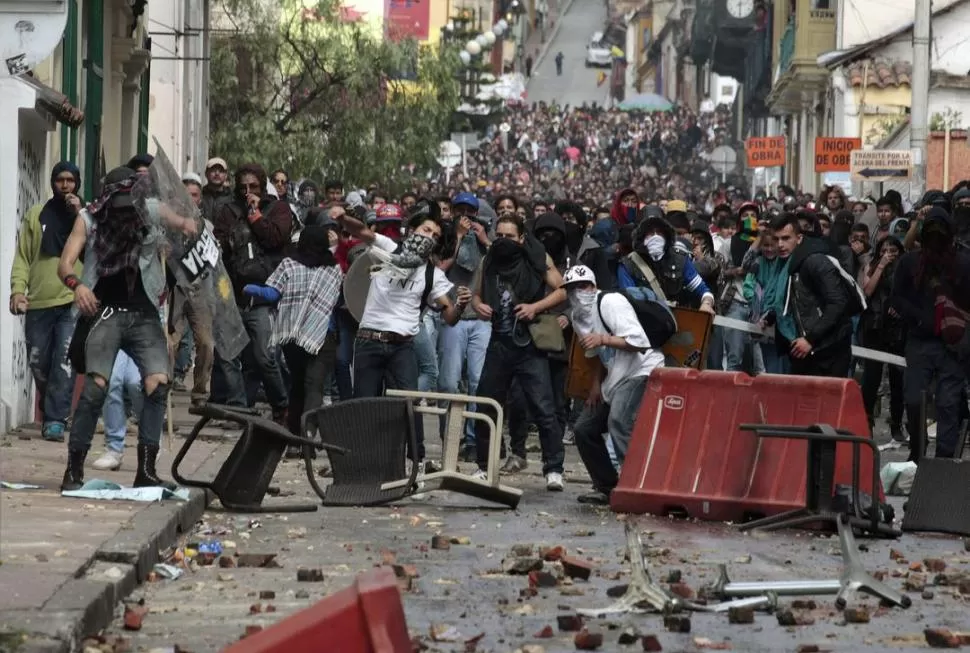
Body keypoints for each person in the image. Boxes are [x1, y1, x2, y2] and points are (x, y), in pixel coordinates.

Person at [57, 166, 198, 490]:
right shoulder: (89, 219)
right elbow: (65, 262)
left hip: (145, 312)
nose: (126, 212)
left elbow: (181, 221)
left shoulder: (148, 211)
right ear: (107, 198)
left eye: (131, 203)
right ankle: (74, 468)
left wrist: (189, 226)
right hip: (103, 311)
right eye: (119, 204)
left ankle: (146, 470)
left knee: (158, 383)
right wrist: (76, 285)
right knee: (95, 387)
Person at [333, 205, 470, 466]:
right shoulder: (388, 248)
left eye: (435, 235)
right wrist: (342, 219)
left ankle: (416, 462)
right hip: (369, 341)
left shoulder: (433, 274)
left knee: (410, 405)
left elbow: (449, 317)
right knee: (364, 406)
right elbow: (361, 230)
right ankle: (361, 464)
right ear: (411, 231)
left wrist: (461, 304)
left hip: (402, 347)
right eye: (425, 230)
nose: (429, 236)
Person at [471, 214, 568, 491]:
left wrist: (535, 307)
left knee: (543, 407)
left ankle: (554, 469)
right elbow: (478, 294)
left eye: (510, 237)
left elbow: (562, 290)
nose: (503, 241)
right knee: (486, 405)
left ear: (522, 238)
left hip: (529, 345)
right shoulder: (488, 260)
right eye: (499, 235)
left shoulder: (537, 258)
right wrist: (478, 305)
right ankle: (483, 466)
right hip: (498, 343)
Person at [562, 264, 663, 505]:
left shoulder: (611, 302)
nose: (578, 292)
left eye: (583, 286)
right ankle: (607, 486)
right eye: (572, 288)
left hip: (642, 368)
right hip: (613, 377)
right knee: (584, 429)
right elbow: (596, 354)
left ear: (594, 286)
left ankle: (637, 486)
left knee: (618, 419)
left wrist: (603, 338)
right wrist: (596, 384)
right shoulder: (578, 316)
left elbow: (639, 342)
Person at [242, 225, 343, 455]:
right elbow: (336, 300)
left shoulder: (289, 264)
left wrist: (248, 288)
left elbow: (271, 294)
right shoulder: (334, 269)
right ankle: (307, 441)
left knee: (297, 387)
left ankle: (295, 442)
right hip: (322, 336)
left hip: (291, 336)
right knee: (314, 387)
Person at [9, 161, 83, 442]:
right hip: (39, 301)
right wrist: (18, 290)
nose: (65, 186)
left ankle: (55, 419)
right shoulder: (36, 215)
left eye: (70, 180)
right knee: (39, 362)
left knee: (64, 361)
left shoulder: (87, 218)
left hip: (71, 299)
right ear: (53, 182)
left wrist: (80, 214)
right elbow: (23, 258)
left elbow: (97, 251)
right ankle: (51, 405)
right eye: (60, 180)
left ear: (77, 183)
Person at [773, 213, 860, 377]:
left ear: (799, 238)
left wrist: (810, 339)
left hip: (829, 351)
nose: (780, 244)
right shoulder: (786, 263)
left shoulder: (815, 261)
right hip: (805, 351)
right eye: (776, 239)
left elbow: (838, 303)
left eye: (786, 238)